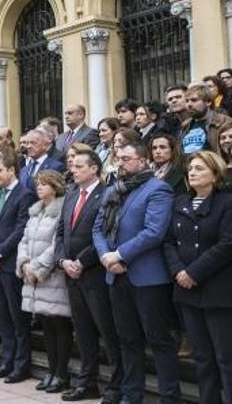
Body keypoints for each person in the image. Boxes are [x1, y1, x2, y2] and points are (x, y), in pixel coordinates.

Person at [94, 141, 181, 403]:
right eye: (118, 158)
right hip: (116, 275)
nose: (120, 163)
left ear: (143, 161)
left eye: (126, 159)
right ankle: (132, 396)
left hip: (148, 278)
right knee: (127, 340)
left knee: (159, 341)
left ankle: (169, 397)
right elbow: (97, 228)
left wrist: (119, 254)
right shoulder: (114, 191)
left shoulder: (159, 189)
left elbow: (154, 232)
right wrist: (106, 258)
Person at [163, 150, 232, 404]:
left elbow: (227, 244)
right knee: (202, 357)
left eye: (200, 168)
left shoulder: (227, 202)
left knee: (226, 357)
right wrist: (178, 271)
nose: (192, 172)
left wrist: (193, 272)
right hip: (187, 291)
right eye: (190, 168)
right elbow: (168, 242)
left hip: (218, 292)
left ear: (215, 174)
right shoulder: (180, 202)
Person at [55, 148, 123, 403]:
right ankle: (87, 382)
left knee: (107, 332)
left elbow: (106, 233)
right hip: (71, 274)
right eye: (72, 165)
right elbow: (61, 232)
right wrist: (62, 260)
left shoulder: (107, 194)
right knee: (82, 332)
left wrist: (82, 261)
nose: (73, 169)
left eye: (79, 166)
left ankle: (116, 386)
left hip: (95, 274)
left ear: (94, 168)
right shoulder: (71, 195)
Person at [0, 150, 38, 383]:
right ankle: (7, 360)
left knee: (17, 317)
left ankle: (21, 364)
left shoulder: (24, 195)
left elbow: (20, 228)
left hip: (9, 264)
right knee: (2, 316)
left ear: (11, 170)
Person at [16, 170, 71, 394]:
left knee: (60, 324)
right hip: (33, 276)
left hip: (53, 276)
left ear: (55, 186)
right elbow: (24, 239)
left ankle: (62, 373)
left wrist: (39, 267)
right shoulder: (35, 212)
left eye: (43, 184)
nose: (38, 187)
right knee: (46, 325)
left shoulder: (62, 210)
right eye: (37, 183)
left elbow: (57, 244)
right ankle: (51, 370)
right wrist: (24, 263)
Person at [181, 82, 232, 154]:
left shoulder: (224, 122)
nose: (189, 104)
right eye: (187, 101)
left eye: (194, 100)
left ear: (208, 102)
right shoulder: (185, 125)